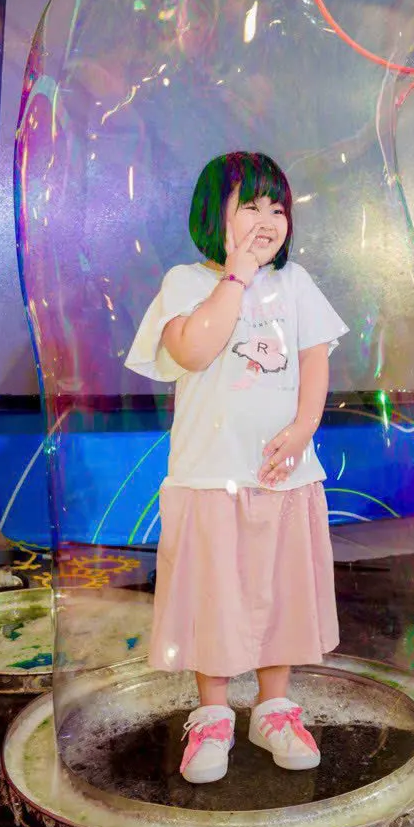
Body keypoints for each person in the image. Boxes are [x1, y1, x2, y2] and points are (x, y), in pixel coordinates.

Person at [126, 151, 347, 782]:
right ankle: (214, 715)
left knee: (280, 592)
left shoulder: (296, 282)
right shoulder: (186, 281)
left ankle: (273, 708)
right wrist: (238, 276)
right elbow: (194, 351)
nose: (267, 218)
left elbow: (314, 361)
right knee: (215, 594)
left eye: (277, 207)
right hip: (209, 475)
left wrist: (303, 429)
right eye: (250, 205)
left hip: (284, 476)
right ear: (212, 214)